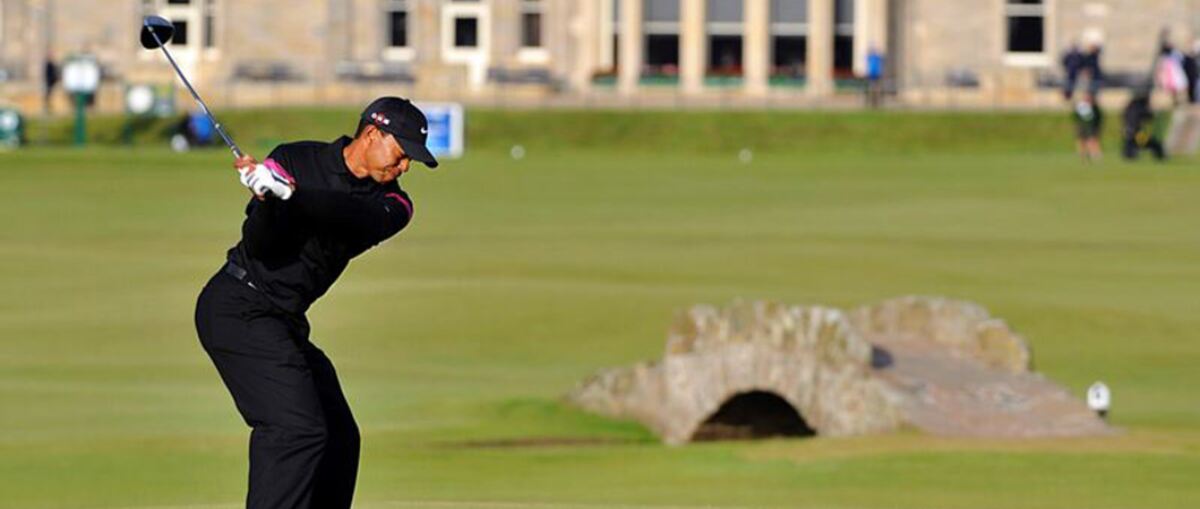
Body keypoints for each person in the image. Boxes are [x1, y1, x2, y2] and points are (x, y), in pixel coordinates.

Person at [194, 97, 438, 508]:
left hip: (282, 320)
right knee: (296, 430)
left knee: (340, 437)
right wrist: (268, 204)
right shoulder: (294, 157)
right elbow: (261, 244)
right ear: (372, 135)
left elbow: (349, 216)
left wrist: (292, 196)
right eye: (401, 154)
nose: (404, 167)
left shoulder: (394, 205)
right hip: (237, 306)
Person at [1072, 93, 1104, 163]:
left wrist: (1098, 126)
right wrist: (1076, 125)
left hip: (1091, 126)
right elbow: (1076, 117)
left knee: (1092, 140)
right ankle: (1082, 156)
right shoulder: (1080, 106)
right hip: (1082, 126)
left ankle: (1095, 155)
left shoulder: (1094, 107)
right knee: (1081, 141)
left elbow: (1098, 118)